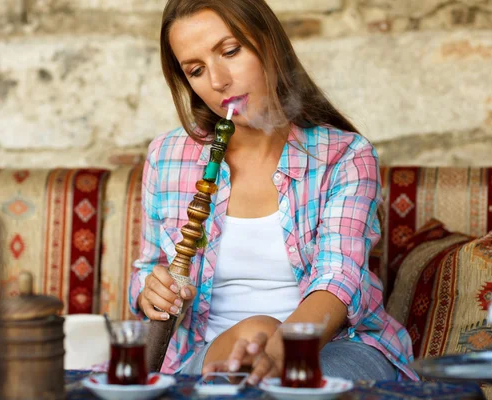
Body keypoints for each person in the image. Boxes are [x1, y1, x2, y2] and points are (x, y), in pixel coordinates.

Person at [129, 0, 418, 384]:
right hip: (207, 351)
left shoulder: (345, 156)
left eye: (230, 51)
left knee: (267, 355)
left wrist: (273, 353)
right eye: (196, 70)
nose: (217, 81)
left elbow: (338, 281)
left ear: (269, 44)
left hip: (335, 348)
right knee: (250, 339)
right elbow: (148, 268)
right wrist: (152, 290)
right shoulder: (167, 156)